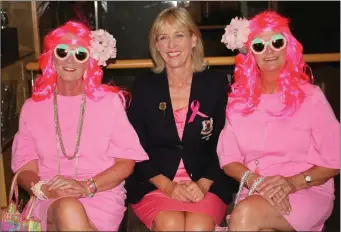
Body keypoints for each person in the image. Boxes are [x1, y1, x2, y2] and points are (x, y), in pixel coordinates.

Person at [11, 21, 148, 231]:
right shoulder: (32, 108)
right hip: (47, 197)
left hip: (99, 194)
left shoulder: (109, 103)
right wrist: (43, 188)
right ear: (51, 57)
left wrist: (86, 187)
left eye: (80, 54)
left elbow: (126, 162)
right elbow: (24, 167)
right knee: (68, 208)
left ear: (89, 62)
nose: (70, 60)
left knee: (70, 210)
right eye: (63, 51)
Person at [217, 11, 340, 231]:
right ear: (251, 54)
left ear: (288, 47)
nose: (269, 50)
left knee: (245, 214)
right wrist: (256, 181)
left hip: (307, 189)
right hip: (256, 189)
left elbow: (334, 160)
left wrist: (291, 183)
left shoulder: (311, 97)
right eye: (259, 45)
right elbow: (228, 159)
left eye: (276, 41)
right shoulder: (237, 102)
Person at [125, 7, 236, 231]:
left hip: (208, 182)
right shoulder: (144, 87)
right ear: (156, 45)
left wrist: (204, 184)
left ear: (193, 39)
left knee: (198, 227)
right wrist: (168, 187)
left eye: (179, 35)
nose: (171, 45)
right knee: (170, 224)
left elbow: (227, 143)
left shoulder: (214, 85)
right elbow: (133, 148)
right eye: (163, 38)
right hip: (155, 183)